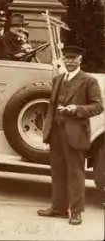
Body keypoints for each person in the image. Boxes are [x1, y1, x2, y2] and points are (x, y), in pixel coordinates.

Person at [38, 45, 103, 225]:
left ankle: (76, 212)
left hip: (75, 134)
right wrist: (47, 130)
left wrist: (77, 109)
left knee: (75, 174)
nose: (70, 61)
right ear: (63, 59)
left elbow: (98, 106)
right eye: (67, 58)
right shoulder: (58, 79)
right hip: (56, 132)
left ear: (80, 59)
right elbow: (51, 106)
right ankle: (58, 208)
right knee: (57, 172)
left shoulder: (89, 81)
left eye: (74, 58)